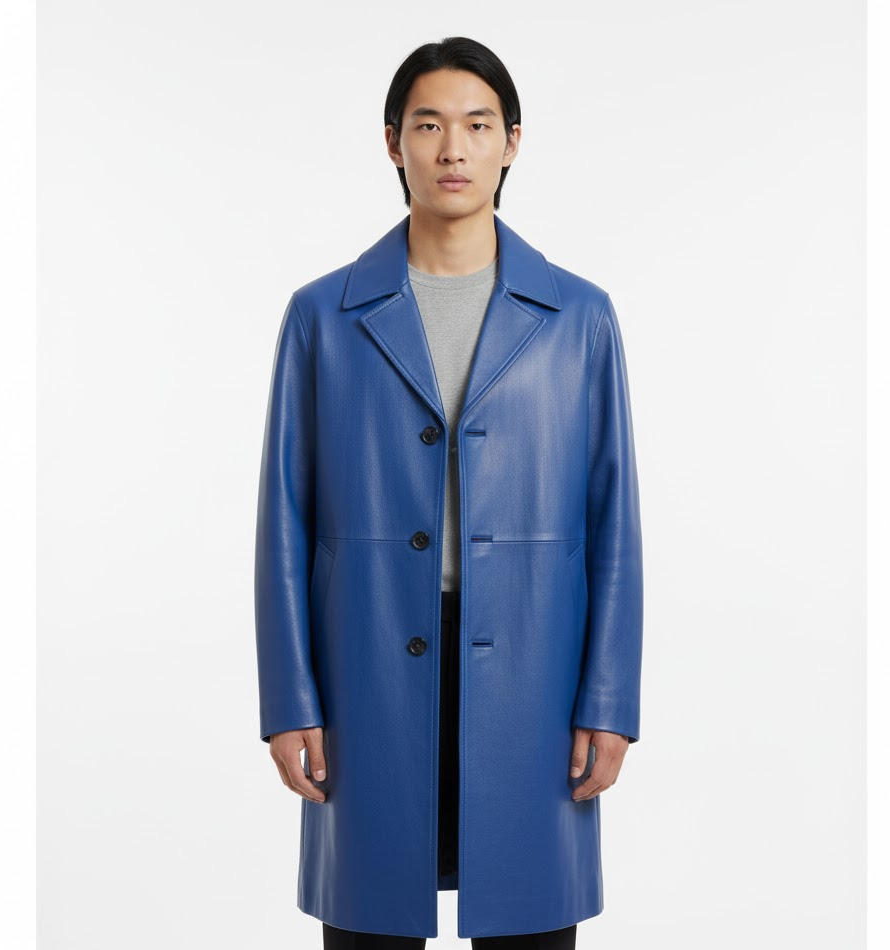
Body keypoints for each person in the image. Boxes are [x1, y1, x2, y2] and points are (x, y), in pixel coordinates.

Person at [255, 36, 643, 949]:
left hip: (535, 673)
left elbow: (614, 521)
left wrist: (609, 701)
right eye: (428, 125)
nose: (453, 148)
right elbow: (284, 519)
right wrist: (290, 700)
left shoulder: (579, 317)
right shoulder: (321, 316)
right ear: (394, 143)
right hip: (366, 672)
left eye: (477, 124)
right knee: (371, 924)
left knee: (529, 923)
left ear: (513, 142)